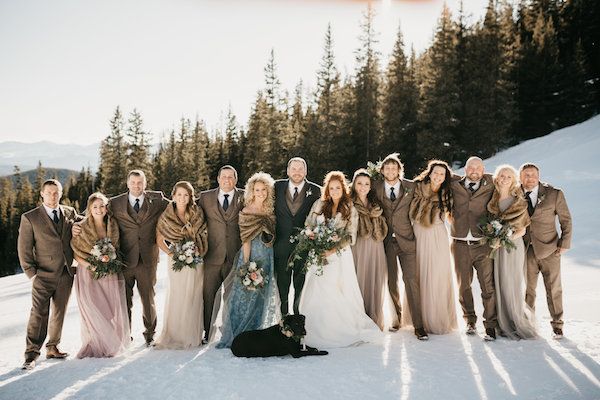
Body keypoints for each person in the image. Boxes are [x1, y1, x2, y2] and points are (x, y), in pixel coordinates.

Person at [300, 171, 381, 348]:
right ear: (327, 189)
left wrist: (332, 249)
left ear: (343, 189)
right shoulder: (319, 204)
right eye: (331, 187)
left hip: (339, 256)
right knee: (318, 288)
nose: (335, 190)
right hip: (319, 255)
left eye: (338, 187)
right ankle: (316, 328)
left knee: (336, 289)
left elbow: (350, 236)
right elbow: (309, 224)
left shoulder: (349, 207)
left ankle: (337, 329)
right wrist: (313, 239)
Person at [18, 179, 82, 369]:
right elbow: (24, 249)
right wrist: (32, 274)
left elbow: (82, 224)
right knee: (39, 313)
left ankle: (53, 347)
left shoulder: (70, 212)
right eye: (49, 193)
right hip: (42, 274)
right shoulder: (30, 217)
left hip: (66, 272)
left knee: (60, 312)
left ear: (61, 194)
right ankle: (31, 354)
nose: (53, 196)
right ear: (42, 194)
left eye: (56, 193)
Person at [215, 172, 280, 348]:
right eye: (257, 189)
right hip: (252, 257)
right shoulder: (246, 210)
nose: (260, 193)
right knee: (245, 294)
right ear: (252, 191)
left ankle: (258, 330)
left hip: (268, 256)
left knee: (263, 294)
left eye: (263, 189)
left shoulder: (270, 210)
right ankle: (240, 332)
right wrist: (246, 264)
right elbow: (245, 239)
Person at [373, 153, 428, 340]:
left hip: (407, 240)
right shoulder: (376, 187)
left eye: (393, 168)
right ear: (382, 171)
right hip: (386, 241)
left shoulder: (411, 186)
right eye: (387, 168)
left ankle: (419, 326)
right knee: (391, 282)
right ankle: (396, 319)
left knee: (411, 281)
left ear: (399, 170)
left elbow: (429, 190)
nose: (390, 171)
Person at [71, 192, 130, 357]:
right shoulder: (81, 227)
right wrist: (91, 265)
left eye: (102, 206)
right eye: (95, 206)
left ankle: (110, 343)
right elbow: (76, 252)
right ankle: (96, 344)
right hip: (88, 272)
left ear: (106, 208)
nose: (99, 209)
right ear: (90, 208)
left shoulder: (112, 224)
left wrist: (109, 259)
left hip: (109, 271)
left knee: (110, 308)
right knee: (94, 307)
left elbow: (116, 246)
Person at [520, 163, 572, 339]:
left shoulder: (554, 194)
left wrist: (564, 243)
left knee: (554, 288)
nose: (530, 178)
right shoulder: (515, 194)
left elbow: (566, 220)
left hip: (550, 249)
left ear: (539, 175)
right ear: (520, 177)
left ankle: (557, 325)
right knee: (528, 289)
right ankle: (528, 324)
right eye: (526, 175)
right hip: (525, 250)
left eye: (533, 174)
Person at [155, 181, 208, 349]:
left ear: (190, 197)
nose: (182, 198)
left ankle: (191, 334)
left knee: (193, 294)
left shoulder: (197, 212)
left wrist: (197, 250)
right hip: (176, 260)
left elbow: (204, 233)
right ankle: (175, 334)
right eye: (179, 194)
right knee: (178, 295)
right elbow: (159, 240)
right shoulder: (166, 215)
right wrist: (173, 254)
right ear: (173, 196)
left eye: (186, 195)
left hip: (196, 258)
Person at [449, 156, 498, 341]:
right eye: (471, 167)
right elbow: (435, 176)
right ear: (465, 169)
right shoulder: (454, 184)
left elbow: (511, 179)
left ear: (483, 169)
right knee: (464, 286)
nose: (474, 171)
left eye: (478, 167)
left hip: (483, 244)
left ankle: (490, 325)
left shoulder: (491, 182)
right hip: (459, 244)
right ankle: (470, 319)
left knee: (487, 286)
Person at [407, 160, 457, 335]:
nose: (438, 176)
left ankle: (437, 318)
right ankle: (419, 320)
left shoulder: (447, 193)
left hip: (438, 235)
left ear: (446, 177)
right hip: (419, 232)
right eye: (435, 172)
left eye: (442, 174)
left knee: (437, 275)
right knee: (420, 274)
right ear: (429, 173)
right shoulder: (418, 187)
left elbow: (452, 216)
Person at [487, 165, 536, 340]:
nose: (505, 179)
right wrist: (494, 238)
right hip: (496, 249)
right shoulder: (491, 198)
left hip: (512, 247)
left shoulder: (519, 200)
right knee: (498, 282)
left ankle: (515, 321)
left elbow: (522, 230)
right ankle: (501, 321)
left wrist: (505, 238)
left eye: (509, 176)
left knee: (512, 282)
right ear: (497, 177)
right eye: (502, 175)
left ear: (514, 179)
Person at [198, 165, 244, 342]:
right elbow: (192, 216)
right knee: (209, 296)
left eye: (231, 177)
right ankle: (207, 332)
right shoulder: (205, 197)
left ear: (236, 179)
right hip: (211, 256)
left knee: (232, 298)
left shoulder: (244, 196)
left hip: (235, 256)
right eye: (224, 177)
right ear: (218, 179)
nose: (227, 180)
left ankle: (230, 333)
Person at [274, 157, 321, 316]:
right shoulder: (276, 187)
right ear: (287, 171)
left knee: (301, 283)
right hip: (280, 245)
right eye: (293, 169)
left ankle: (298, 314)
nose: (297, 172)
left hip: (304, 246)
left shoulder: (316, 190)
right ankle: (283, 315)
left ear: (306, 171)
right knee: (282, 283)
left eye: (300, 169)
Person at [350, 169, 389, 330]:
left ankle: (373, 318)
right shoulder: (349, 203)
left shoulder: (375, 204)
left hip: (375, 246)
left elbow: (383, 225)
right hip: (357, 246)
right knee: (358, 280)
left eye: (366, 184)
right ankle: (357, 319)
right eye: (359, 183)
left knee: (374, 280)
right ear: (353, 185)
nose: (363, 187)